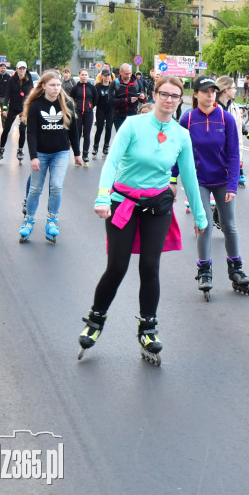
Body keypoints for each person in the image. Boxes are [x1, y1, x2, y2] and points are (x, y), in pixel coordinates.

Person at [77, 75, 207, 366]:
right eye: (164, 93)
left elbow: (189, 176)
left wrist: (200, 216)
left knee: (150, 267)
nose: (169, 99)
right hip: (122, 203)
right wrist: (101, 197)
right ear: (155, 95)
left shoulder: (180, 135)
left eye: (175, 96)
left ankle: (148, 327)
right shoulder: (133, 126)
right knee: (118, 266)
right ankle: (95, 320)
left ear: (180, 100)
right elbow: (111, 162)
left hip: (157, 207)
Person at [177, 76, 249, 300]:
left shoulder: (225, 118)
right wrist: (171, 180)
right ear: (196, 94)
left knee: (229, 226)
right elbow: (177, 151)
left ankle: (235, 268)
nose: (210, 95)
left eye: (213, 91)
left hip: (222, 179)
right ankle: (204, 270)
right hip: (198, 180)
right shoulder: (187, 120)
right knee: (204, 224)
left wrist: (232, 185)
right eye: (205, 91)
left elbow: (234, 154)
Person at [18, 71, 83, 242]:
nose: (56, 88)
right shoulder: (36, 105)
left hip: (60, 153)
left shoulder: (67, 103)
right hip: (40, 153)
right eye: (52, 85)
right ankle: (29, 221)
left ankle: (52, 220)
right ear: (44, 86)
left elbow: (73, 130)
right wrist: (33, 157)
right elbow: (31, 133)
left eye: (58, 85)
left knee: (56, 186)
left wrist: (77, 154)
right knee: (35, 188)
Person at [0, 61, 34, 164]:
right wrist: (5, 108)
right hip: (13, 106)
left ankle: (20, 150)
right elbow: (7, 95)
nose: (22, 70)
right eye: (20, 68)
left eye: (24, 68)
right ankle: (0, 150)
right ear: (17, 69)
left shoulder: (29, 79)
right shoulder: (11, 80)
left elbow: (31, 93)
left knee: (22, 129)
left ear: (26, 69)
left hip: (24, 108)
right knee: (6, 128)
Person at [215, 76, 249, 189]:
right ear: (226, 89)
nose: (236, 90)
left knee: (227, 192)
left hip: (229, 156)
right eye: (234, 88)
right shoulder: (211, 107)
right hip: (214, 156)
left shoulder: (235, 108)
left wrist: (239, 155)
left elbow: (238, 134)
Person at [71, 69, 97, 164]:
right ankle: (76, 155)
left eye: (86, 75)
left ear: (88, 76)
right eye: (82, 74)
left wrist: (90, 107)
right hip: (78, 113)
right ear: (79, 75)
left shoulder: (92, 87)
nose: (84, 76)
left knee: (87, 134)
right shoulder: (76, 87)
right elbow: (71, 98)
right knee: (77, 134)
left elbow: (95, 99)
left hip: (88, 113)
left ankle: (85, 154)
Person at [113, 63, 142, 131]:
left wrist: (142, 97)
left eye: (130, 73)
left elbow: (142, 100)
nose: (129, 76)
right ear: (121, 72)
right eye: (126, 74)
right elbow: (111, 101)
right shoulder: (114, 84)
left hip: (132, 116)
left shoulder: (137, 83)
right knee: (122, 138)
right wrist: (127, 100)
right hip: (119, 116)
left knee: (131, 138)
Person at [93, 69, 115, 158]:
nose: (106, 77)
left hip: (110, 110)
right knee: (99, 128)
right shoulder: (98, 86)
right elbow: (94, 98)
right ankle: (95, 147)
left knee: (109, 128)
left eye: (108, 75)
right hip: (100, 109)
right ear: (102, 76)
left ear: (110, 76)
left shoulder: (113, 86)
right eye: (105, 75)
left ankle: (106, 147)